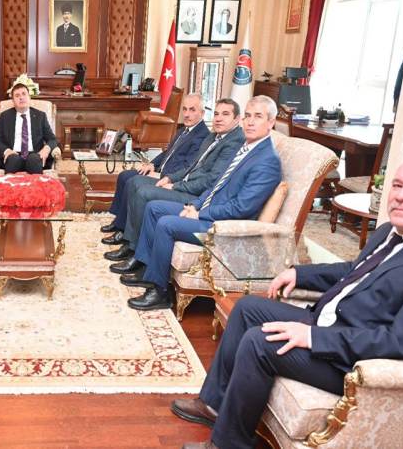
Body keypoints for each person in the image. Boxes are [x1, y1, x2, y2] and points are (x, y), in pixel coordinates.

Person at [174, 154, 403, 449]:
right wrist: (299, 274)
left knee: (260, 342)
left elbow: (400, 341)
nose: (401, 195)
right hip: (330, 323)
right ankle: (213, 405)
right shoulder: (389, 232)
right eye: (398, 185)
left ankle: (228, 444)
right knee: (248, 308)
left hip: (352, 359)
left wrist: (313, 336)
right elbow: (354, 271)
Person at [115, 96, 282, 311]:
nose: (250, 122)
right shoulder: (247, 148)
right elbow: (217, 184)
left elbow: (242, 208)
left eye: (258, 117)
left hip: (225, 226)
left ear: (271, 122)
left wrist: (201, 214)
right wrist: (196, 204)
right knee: (154, 208)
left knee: (166, 224)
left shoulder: (267, 160)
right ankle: (147, 270)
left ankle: (160, 292)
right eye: (248, 116)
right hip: (209, 210)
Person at [104, 98, 245, 262]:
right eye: (216, 114)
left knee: (143, 193)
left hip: (195, 195)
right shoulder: (213, 137)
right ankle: (127, 237)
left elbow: (210, 181)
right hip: (183, 181)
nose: (219, 118)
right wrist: (169, 178)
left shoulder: (233, 141)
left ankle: (133, 249)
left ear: (237, 119)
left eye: (225, 114)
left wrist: (176, 185)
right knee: (134, 182)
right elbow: (191, 166)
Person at [101, 94, 210, 246]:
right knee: (124, 175)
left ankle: (124, 231)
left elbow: (187, 167)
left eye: (192, 110)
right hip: (160, 170)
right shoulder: (184, 130)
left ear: (202, 113)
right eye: (184, 109)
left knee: (133, 181)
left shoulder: (202, 136)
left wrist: (161, 175)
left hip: (170, 178)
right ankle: (119, 222)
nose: (186, 114)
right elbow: (167, 152)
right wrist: (152, 164)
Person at [0, 83, 59, 174]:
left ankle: (37, 184)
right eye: (17, 95)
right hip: (13, 154)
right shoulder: (5, 116)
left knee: (34, 160)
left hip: (34, 154)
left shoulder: (40, 116)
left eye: (24, 94)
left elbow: (52, 139)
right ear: (13, 101)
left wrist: (45, 150)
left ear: (29, 97)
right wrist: (6, 151)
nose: (21, 97)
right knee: (12, 160)